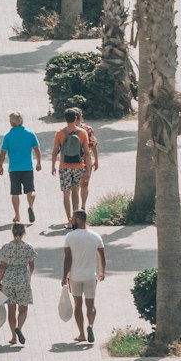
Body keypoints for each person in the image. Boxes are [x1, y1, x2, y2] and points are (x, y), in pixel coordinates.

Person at [63, 211, 106, 344]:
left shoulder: (69, 237)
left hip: (75, 276)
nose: (71, 220)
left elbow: (68, 259)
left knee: (78, 305)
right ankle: (90, 326)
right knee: (91, 305)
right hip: (90, 276)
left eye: (73, 218)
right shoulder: (96, 236)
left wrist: (64, 276)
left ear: (79, 219)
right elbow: (102, 257)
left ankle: (82, 334)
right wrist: (102, 272)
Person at [0, 111, 42, 224]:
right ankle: (31, 206)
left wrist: (0, 166)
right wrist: (38, 163)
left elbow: (3, 153)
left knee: (15, 193)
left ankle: (17, 215)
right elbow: (37, 149)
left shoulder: (8, 136)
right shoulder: (30, 133)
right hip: (27, 167)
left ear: (12, 123)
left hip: (14, 168)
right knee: (31, 190)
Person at [0, 222, 35, 345]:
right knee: (23, 309)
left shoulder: (5, 247)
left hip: (8, 280)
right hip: (23, 280)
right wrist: (28, 277)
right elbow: (32, 265)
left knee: (11, 309)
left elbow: (2, 266)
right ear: (24, 232)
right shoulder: (28, 247)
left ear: (12, 232)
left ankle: (13, 336)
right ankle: (19, 327)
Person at [52, 108, 91, 225]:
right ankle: (75, 219)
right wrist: (88, 169)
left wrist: (53, 165)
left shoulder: (60, 133)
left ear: (65, 119)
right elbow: (87, 153)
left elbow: (54, 151)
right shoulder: (82, 133)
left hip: (64, 166)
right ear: (76, 118)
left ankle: (69, 219)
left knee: (66, 193)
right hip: (78, 166)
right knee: (75, 191)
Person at [72, 106, 99, 211]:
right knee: (85, 184)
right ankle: (82, 206)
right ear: (80, 116)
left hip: (72, 162)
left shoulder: (67, 130)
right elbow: (93, 145)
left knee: (76, 187)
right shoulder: (87, 129)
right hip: (86, 161)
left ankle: (77, 209)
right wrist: (96, 160)